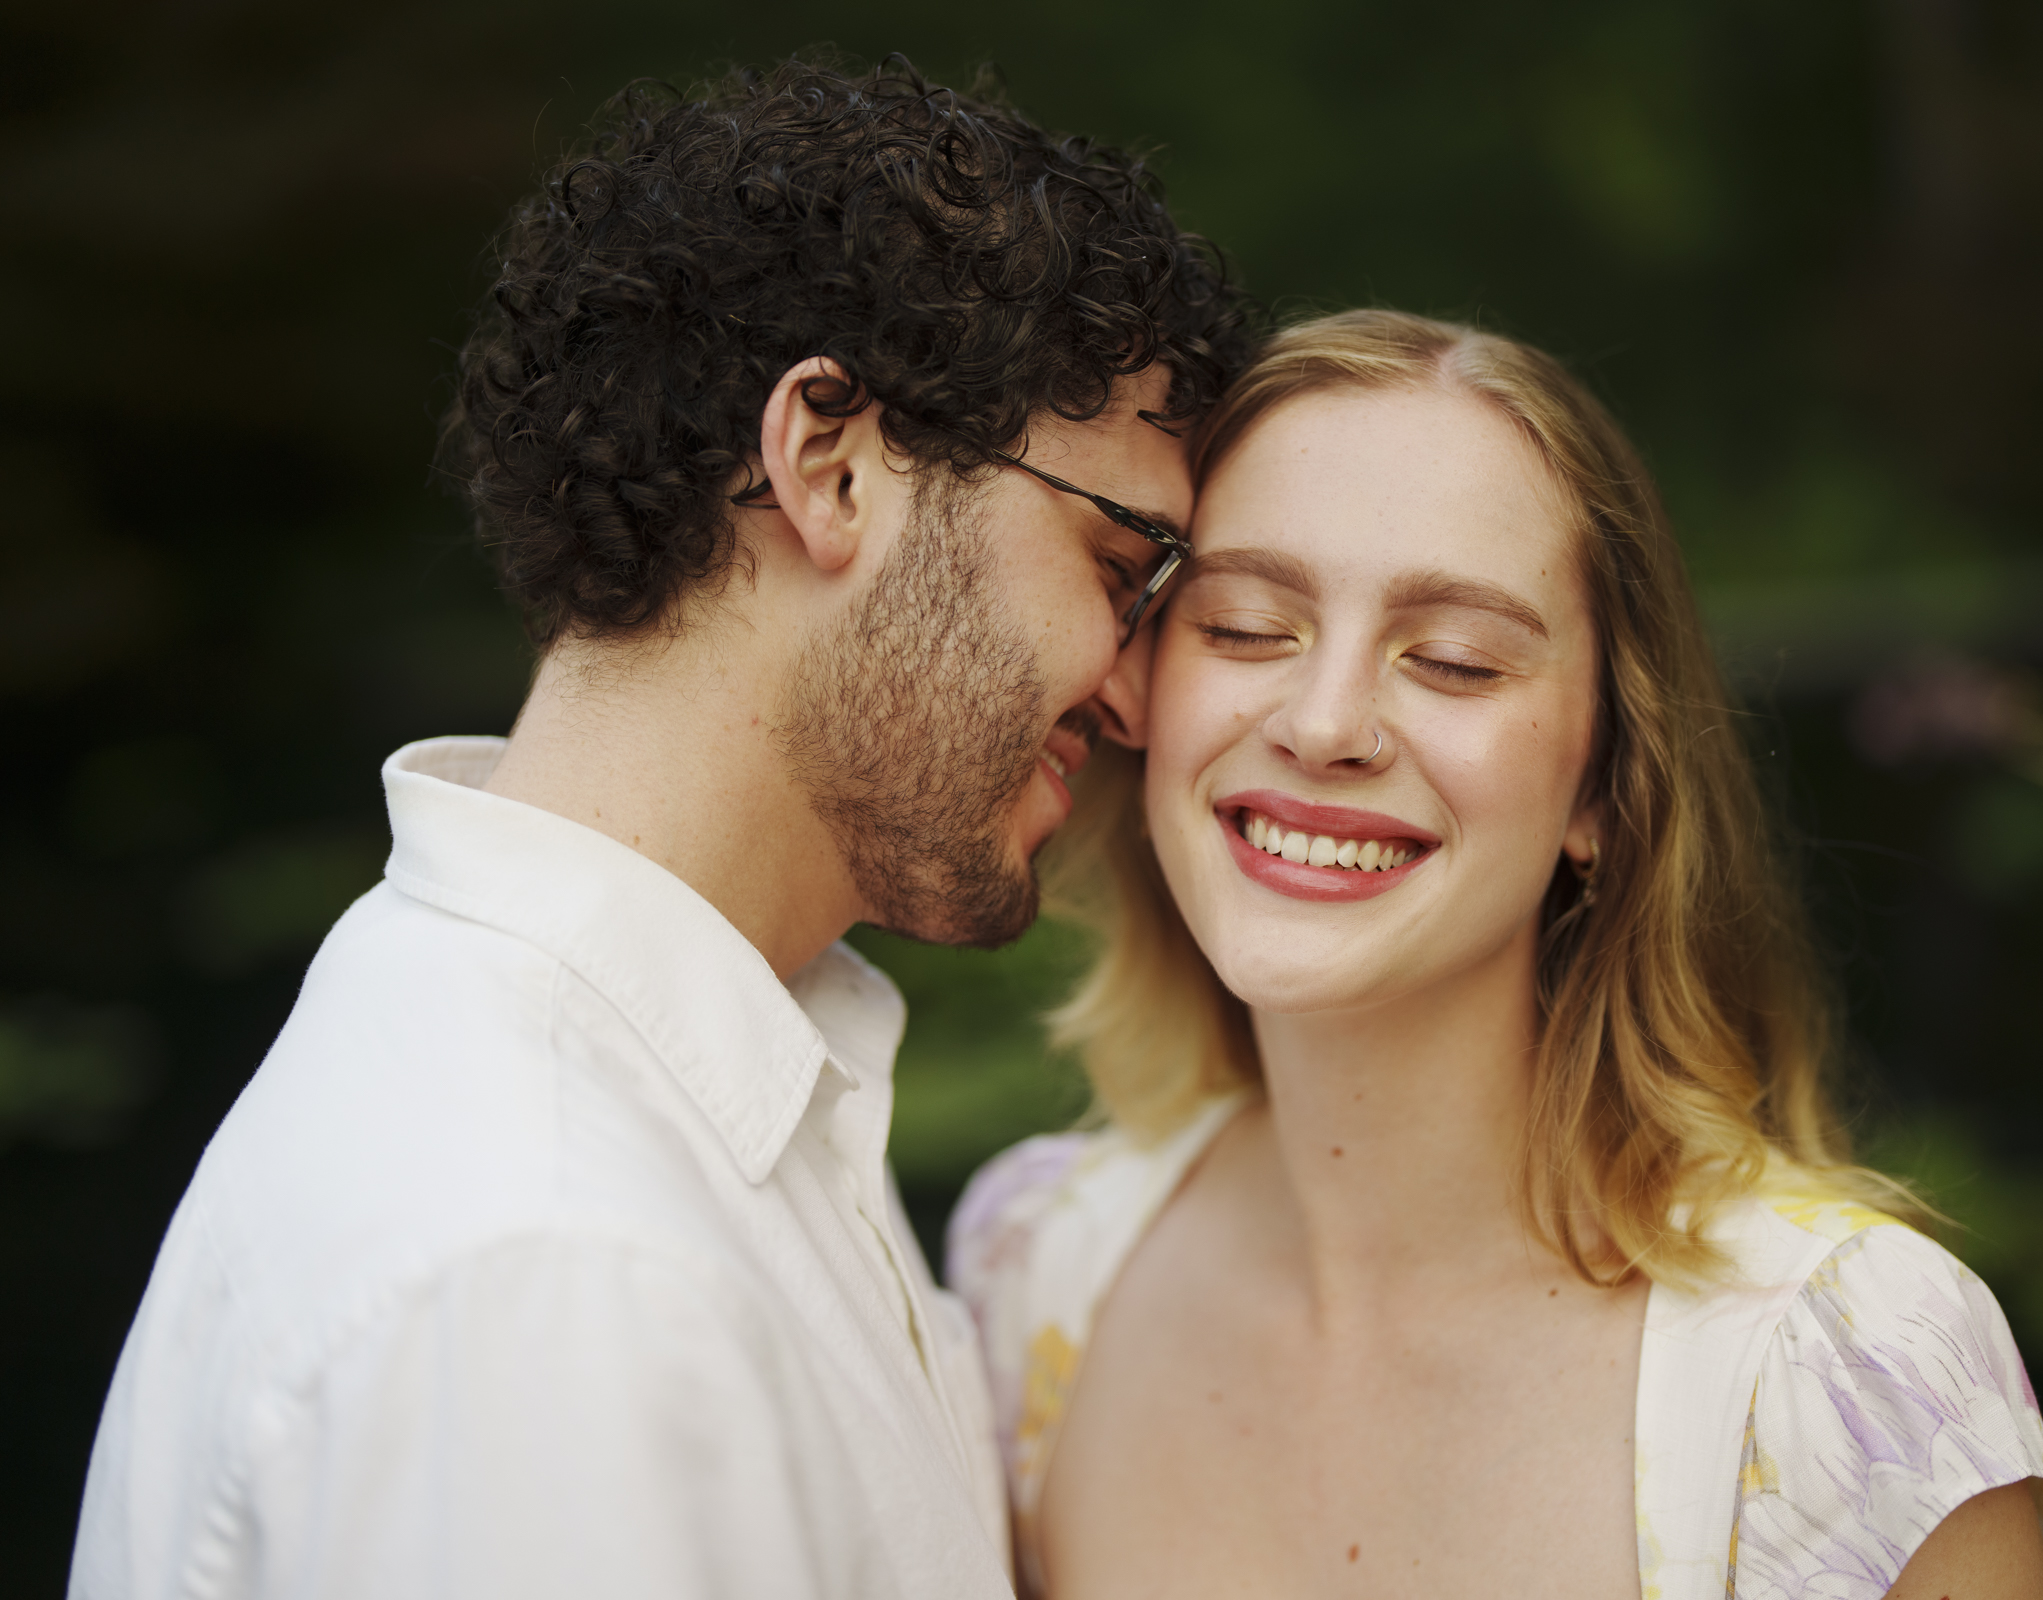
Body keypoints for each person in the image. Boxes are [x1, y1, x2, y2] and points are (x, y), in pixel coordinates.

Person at [70, 58, 1252, 1600]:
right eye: (1119, 562)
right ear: (827, 462)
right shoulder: (557, 1279)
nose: (1146, 700)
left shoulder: (661, 1110)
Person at [949, 311, 2043, 1599]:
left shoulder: (1841, 1370)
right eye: (1249, 626)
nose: (1324, 725)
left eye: (1456, 660)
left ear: (1604, 786)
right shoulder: (1034, 1273)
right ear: (1139, 690)